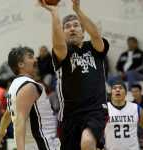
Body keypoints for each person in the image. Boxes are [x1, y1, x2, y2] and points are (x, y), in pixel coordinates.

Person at [39, 0, 109, 149]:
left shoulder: (95, 48)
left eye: (76, 25)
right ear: (63, 32)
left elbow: (96, 35)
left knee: (87, 142)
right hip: (70, 114)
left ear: (83, 32)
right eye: (67, 27)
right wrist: (54, 13)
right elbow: (58, 44)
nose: (72, 29)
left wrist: (77, 9)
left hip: (95, 110)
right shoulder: (63, 52)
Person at [0, 46, 60, 150]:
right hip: (43, 144)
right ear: (21, 64)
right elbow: (19, 122)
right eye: (30, 57)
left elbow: (8, 114)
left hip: (36, 143)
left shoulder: (13, 86)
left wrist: (1, 132)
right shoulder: (27, 86)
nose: (35, 59)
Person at [104, 81, 143, 150]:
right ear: (111, 93)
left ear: (126, 93)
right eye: (114, 88)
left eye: (120, 88)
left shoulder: (137, 108)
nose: (117, 90)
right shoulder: (104, 109)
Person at [131, 83, 143, 149]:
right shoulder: (131, 105)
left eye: (136, 91)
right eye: (133, 92)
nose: (134, 93)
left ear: (140, 91)